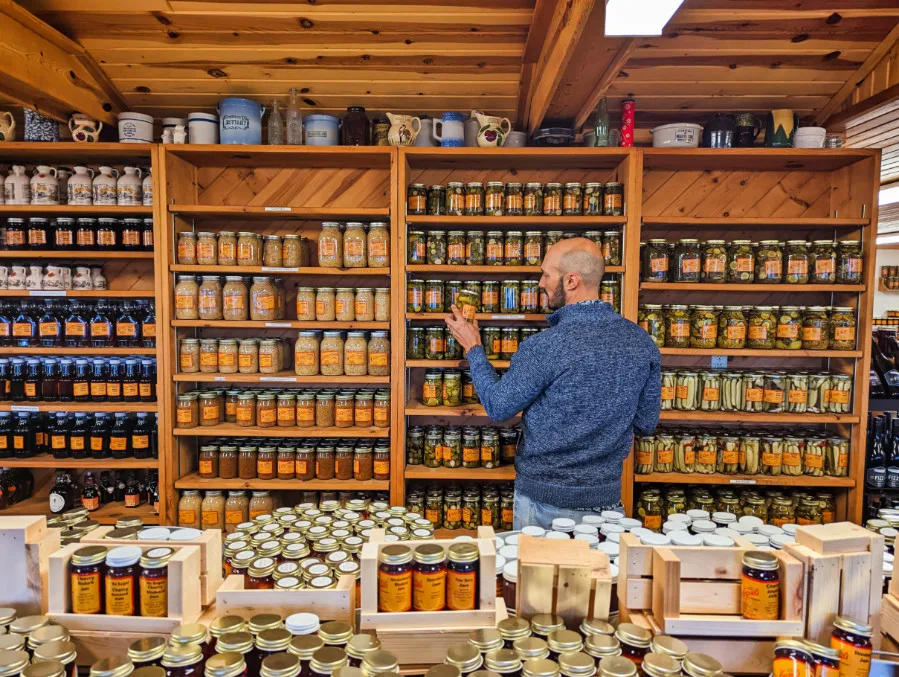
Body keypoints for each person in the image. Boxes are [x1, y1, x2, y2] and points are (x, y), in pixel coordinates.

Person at [445, 237, 660, 529]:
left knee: (537, 577)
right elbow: (646, 423)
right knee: (596, 576)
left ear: (571, 281)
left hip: (545, 507)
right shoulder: (641, 342)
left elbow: (498, 406)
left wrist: (473, 348)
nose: (540, 283)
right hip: (608, 507)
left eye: (547, 274)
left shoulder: (546, 346)